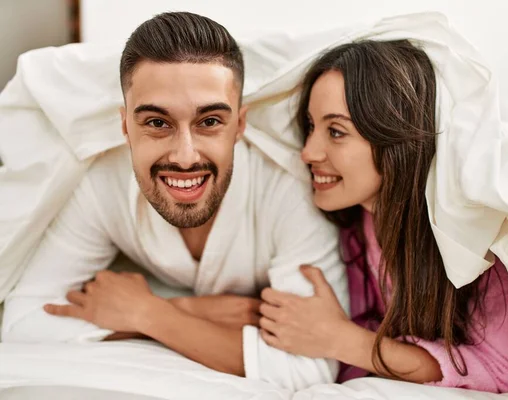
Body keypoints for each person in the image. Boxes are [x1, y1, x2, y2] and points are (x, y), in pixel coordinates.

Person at [1, 12, 348, 390]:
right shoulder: (102, 182)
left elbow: (310, 366)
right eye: (157, 123)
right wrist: (180, 311)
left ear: (240, 126)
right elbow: (23, 321)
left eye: (210, 121)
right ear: (124, 127)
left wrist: (151, 314)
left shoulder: (290, 191)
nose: (185, 157)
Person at [258, 40, 508, 393]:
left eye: (336, 131)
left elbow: (501, 373)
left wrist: (343, 340)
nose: (308, 152)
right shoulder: (356, 223)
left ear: (395, 139)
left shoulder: (475, 240)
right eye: (311, 126)